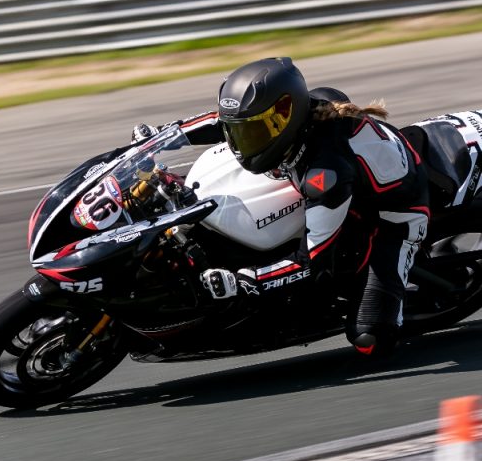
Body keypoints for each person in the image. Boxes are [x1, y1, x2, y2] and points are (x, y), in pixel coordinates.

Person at [132, 57, 430, 355]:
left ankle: (385, 304)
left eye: (251, 134)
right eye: (240, 132)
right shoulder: (300, 115)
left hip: (394, 216)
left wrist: (244, 281)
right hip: (351, 188)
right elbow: (218, 122)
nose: (240, 144)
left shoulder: (325, 174)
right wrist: (160, 137)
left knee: (369, 340)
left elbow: (312, 262)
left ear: (283, 120)